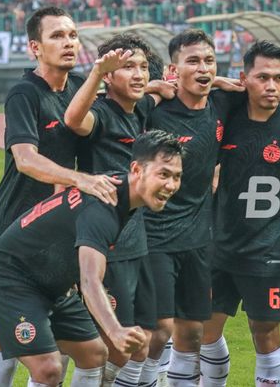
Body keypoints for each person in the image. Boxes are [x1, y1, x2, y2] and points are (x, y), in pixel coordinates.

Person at [0, 6, 121, 387]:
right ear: (35, 47)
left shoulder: (78, 88)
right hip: (15, 225)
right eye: (57, 35)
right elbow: (25, 160)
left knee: (49, 345)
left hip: (57, 229)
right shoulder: (24, 94)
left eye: (73, 35)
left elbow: (118, 103)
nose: (69, 42)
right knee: (13, 340)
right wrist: (81, 180)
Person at [0, 131, 184, 387]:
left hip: (49, 283)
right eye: (163, 174)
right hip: (9, 277)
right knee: (48, 368)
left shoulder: (118, 191)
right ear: (137, 170)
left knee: (94, 354)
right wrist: (115, 330)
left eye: (177, 177)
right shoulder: (103, 208)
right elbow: (89, 280)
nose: (171, 185)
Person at [200, 41, 280, 386]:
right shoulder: (225, 116)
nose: (272, 86)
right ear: (244, 79)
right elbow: (184, 90)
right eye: (262, 78)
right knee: (204, 332)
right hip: (217, 247)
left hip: (267, 253)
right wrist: (215, 82)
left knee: (265, 333)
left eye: (278, 78)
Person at [63, 33, 176, 386]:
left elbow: (164, 89)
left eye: (142, 67)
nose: (139, 74)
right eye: (128, 68)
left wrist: (213, 81)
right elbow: (73, 119)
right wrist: (97, 73)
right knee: (112, 344)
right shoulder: (100, 114)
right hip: (105, 239)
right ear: (109, 76)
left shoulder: (140, 108)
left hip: (135, 237)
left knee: (146, 337)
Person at [141, 29, 246, 387]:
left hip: (199, 240)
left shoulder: (223, 104)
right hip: (153, 237)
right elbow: (111, 105)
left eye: (209, 61)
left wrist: (217, 80)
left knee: (192, 334)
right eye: (193, 61)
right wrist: (151, 87)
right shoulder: (156, 110)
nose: (203, 67)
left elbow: (270, 76)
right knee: (157, 331)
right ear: (174, 70)